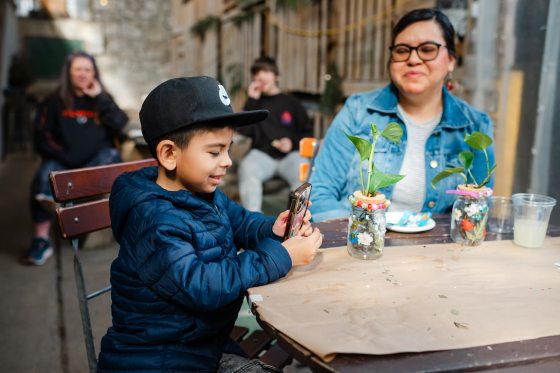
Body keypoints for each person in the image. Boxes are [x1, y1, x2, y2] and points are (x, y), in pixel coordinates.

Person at [97, 76, 322, 372]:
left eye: (228, 148)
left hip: (201, 344)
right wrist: (283, 256)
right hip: (158, 359)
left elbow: (241, 222)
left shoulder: (203, 192)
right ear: (168, 154)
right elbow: (204, 286)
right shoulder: (154, 220)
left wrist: (272, 228)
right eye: (215, 152)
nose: (227, 161)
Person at [309, 8, 495, 222]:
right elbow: (320, 194)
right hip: (359, 246)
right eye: (402, 50)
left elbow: (476, 210)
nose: (413, 59)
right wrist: (365, 237)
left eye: (427, 49)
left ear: (451, 60)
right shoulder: (357, 111)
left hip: (439, 251)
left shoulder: (475, 126)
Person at [25, 51, 128, 265]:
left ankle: (114, 226)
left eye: (87, 69)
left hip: (95, 164)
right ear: (69, 73)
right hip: (62, 163)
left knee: (113, 155)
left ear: (94, 74)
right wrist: (67, 157)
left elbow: (120, 124)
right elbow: (41, 138)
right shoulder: (54, 101)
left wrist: (100, 98)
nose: (83, 74)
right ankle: (41, 240)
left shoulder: (102, 100)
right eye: (78, 69)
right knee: (42, 178)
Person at [236, 56, 313, 212]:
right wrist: (251, 99)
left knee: (302, 169)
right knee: (247, 167)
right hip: (262, 154)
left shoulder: (292, 103)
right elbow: (242, 129)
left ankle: (295, 219)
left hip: (290, 156)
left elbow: (308, 134)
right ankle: (253, 220)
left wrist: (292, 142)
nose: (260, 77)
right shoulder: (255, 103)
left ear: (276, 76)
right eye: (256, 73)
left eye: (265, 71)